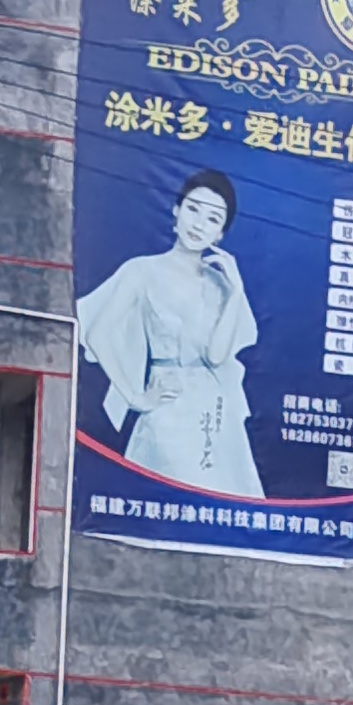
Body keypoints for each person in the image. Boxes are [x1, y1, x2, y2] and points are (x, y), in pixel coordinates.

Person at [76, 170, 263, 498]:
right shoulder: (142, 270)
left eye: (212, 218)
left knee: (223, 509)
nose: (199, 224)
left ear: (220, 234)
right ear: (176, 211)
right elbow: (97, 333)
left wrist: (236, 292)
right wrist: (136, 398)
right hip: (168, 406)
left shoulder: (223, 285)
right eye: (193, 209)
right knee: (166, 498)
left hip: (216, 414)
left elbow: (216, 356)